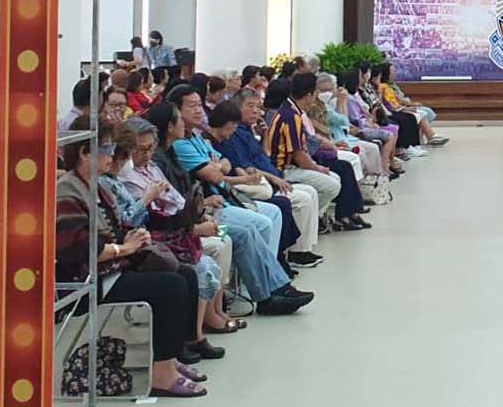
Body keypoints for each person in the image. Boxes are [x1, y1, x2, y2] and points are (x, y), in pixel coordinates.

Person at [54, 128, 207, 398]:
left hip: (110, 270)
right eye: (106, 149)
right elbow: (78, 250)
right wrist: (124, 247)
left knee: (185, 275)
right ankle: (161, 373)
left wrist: (134, 237)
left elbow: (117, 227)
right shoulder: (68, 191)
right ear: (84, 153)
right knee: (171, 288)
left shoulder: (97, 186)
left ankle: (168, 360)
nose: (111, 155)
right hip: (87, 282)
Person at [140, 102, 313, 315]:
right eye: (188, 109)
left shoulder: (172, 152)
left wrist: (209, 190)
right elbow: (202, 183)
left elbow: (223, 165)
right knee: (243, 232)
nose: (193, 114)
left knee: (252, 227)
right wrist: (203, 207)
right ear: (169, 126)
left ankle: (275, 287)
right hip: (188, 224)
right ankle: (264, 296)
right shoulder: (164, 157)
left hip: (199, 214)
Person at [103, 120, 241, 339]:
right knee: (209, 258)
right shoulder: (124, 179)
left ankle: (216, 311)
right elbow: (139, 220)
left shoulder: (153, 167)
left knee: (225, 239)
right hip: (167, 234)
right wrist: (191, 226)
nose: (147, 154)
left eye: (151, 148)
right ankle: (199, 329)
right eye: (141, 150)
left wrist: (199, 212)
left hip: (183, 225)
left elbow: (178, 201)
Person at [210, 92, 324, 268]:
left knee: (308, 193)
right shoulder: (234, 135)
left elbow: (263, 156)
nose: (256, 111)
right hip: (256, 184)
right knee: (299, 200)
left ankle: (300, 250)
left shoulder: (249, 131)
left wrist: (264, 135)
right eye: (250, 106)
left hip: (269, 177)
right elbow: (244, 168)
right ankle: (290, 255)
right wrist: (273, 178)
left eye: (258, 107)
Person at [264, 79, 353, 228]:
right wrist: (317, 168)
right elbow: (298, 155)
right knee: (332, 185)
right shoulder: (291, 116)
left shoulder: (292, 111)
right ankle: (310, 219)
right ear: (308, 95)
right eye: (315, 93)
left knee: (335, 178)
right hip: (283, 169)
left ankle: (313, 219)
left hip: (292, 165)